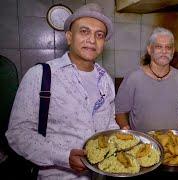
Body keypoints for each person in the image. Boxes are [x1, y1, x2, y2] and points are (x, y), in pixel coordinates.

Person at [5, 3, 119, 179]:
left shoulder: (106, 80)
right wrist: (64, 157)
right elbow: (17, 134)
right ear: (69, 37)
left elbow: (109, 123)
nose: (92, 40)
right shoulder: (41, 75)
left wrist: (119, 137)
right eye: (84, 31)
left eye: (99, 35)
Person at [115, 27, 178, 132]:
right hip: (142, 144)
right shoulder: (133, 78)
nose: (164, 51)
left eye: (168, 47)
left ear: (173, 51)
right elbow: (119, 111)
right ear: (149, 49)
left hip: (173, 143)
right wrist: (126, 131)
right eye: (158, 47)